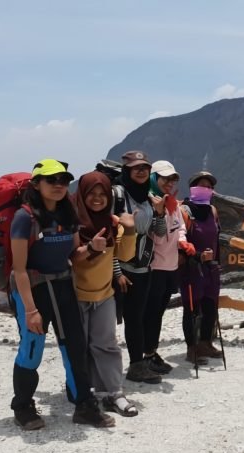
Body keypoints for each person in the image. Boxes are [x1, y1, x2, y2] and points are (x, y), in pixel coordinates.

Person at [8, 159, 114, 430]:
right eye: (51, 180)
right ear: (36, 184)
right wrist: (31, 310)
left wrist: (93, 248)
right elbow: (19, 269)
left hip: (63, 287)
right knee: (32, 351)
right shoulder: (25, 217)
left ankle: (83, 405)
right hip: (33, 290)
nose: (59, 185)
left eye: (64, 180)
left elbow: (74, 256)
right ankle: (23, 406)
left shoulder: (68, 214)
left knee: (75, 348)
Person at [70, 171, 139, 417]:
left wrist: (130, 230)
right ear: (82, 195)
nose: (97, 199)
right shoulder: (71, 221)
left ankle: (113, 393)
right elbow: (71, 258)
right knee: (79, 347)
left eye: (103, 194)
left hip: (103, 294)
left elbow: (125, 255)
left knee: (107, 345)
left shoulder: (111, 223)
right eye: (92, 194)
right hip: (75, 295)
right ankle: (84, 393)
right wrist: (89, 248)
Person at [113, 151, 167, 384]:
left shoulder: (148, 196)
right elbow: (109, 235)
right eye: (136, 168)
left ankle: (137, 365)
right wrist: (116, 272)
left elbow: (159, 233)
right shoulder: (118, 195)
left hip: (143, 267)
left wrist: (159, 213)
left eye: (145, 167)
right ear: (127, 170)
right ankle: (103, 371)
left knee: (137, 317)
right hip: (121, 268)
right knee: (115, 319)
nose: (141, 171)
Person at [141, 160, 187, 374]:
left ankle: (151, 350)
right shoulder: (150, 203)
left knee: (158, 312)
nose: (170, 182)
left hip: (171, 266)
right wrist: (160, 213)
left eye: (173, 179)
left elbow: (181, 227)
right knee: (151, 312)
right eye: (165, 178)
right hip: (155, 267)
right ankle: (147, 353)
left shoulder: (173, 204)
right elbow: (158, 237)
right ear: (154, 178)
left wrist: (183, 240)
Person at [179, 171, 224, 364]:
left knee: (210, 306)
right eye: (201, 185)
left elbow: (217, 239)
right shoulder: (183, 211)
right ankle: (192, 348)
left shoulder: (212, 211)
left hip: (211, 268)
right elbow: (179, 241)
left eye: (209, 186)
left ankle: (205, 343)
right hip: (191, 268)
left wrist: (217, 262)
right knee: (191, 308)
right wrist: (197, 256)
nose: (206, 189)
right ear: (192, 188)